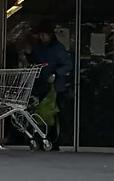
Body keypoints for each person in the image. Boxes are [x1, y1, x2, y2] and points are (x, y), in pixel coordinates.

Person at [22, 19, 73, 150]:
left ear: (50, 35)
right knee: (40, 113)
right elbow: (35, 62)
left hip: (55, 87)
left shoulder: (58, 49)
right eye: (39, 35)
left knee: (53, 114)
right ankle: (40, 139)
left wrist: (56, 74)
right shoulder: (39, 48)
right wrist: (28, 55)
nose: (41, 37)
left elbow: (68, 64)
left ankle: (54, 141)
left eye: (43, 35)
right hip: (40, 86)